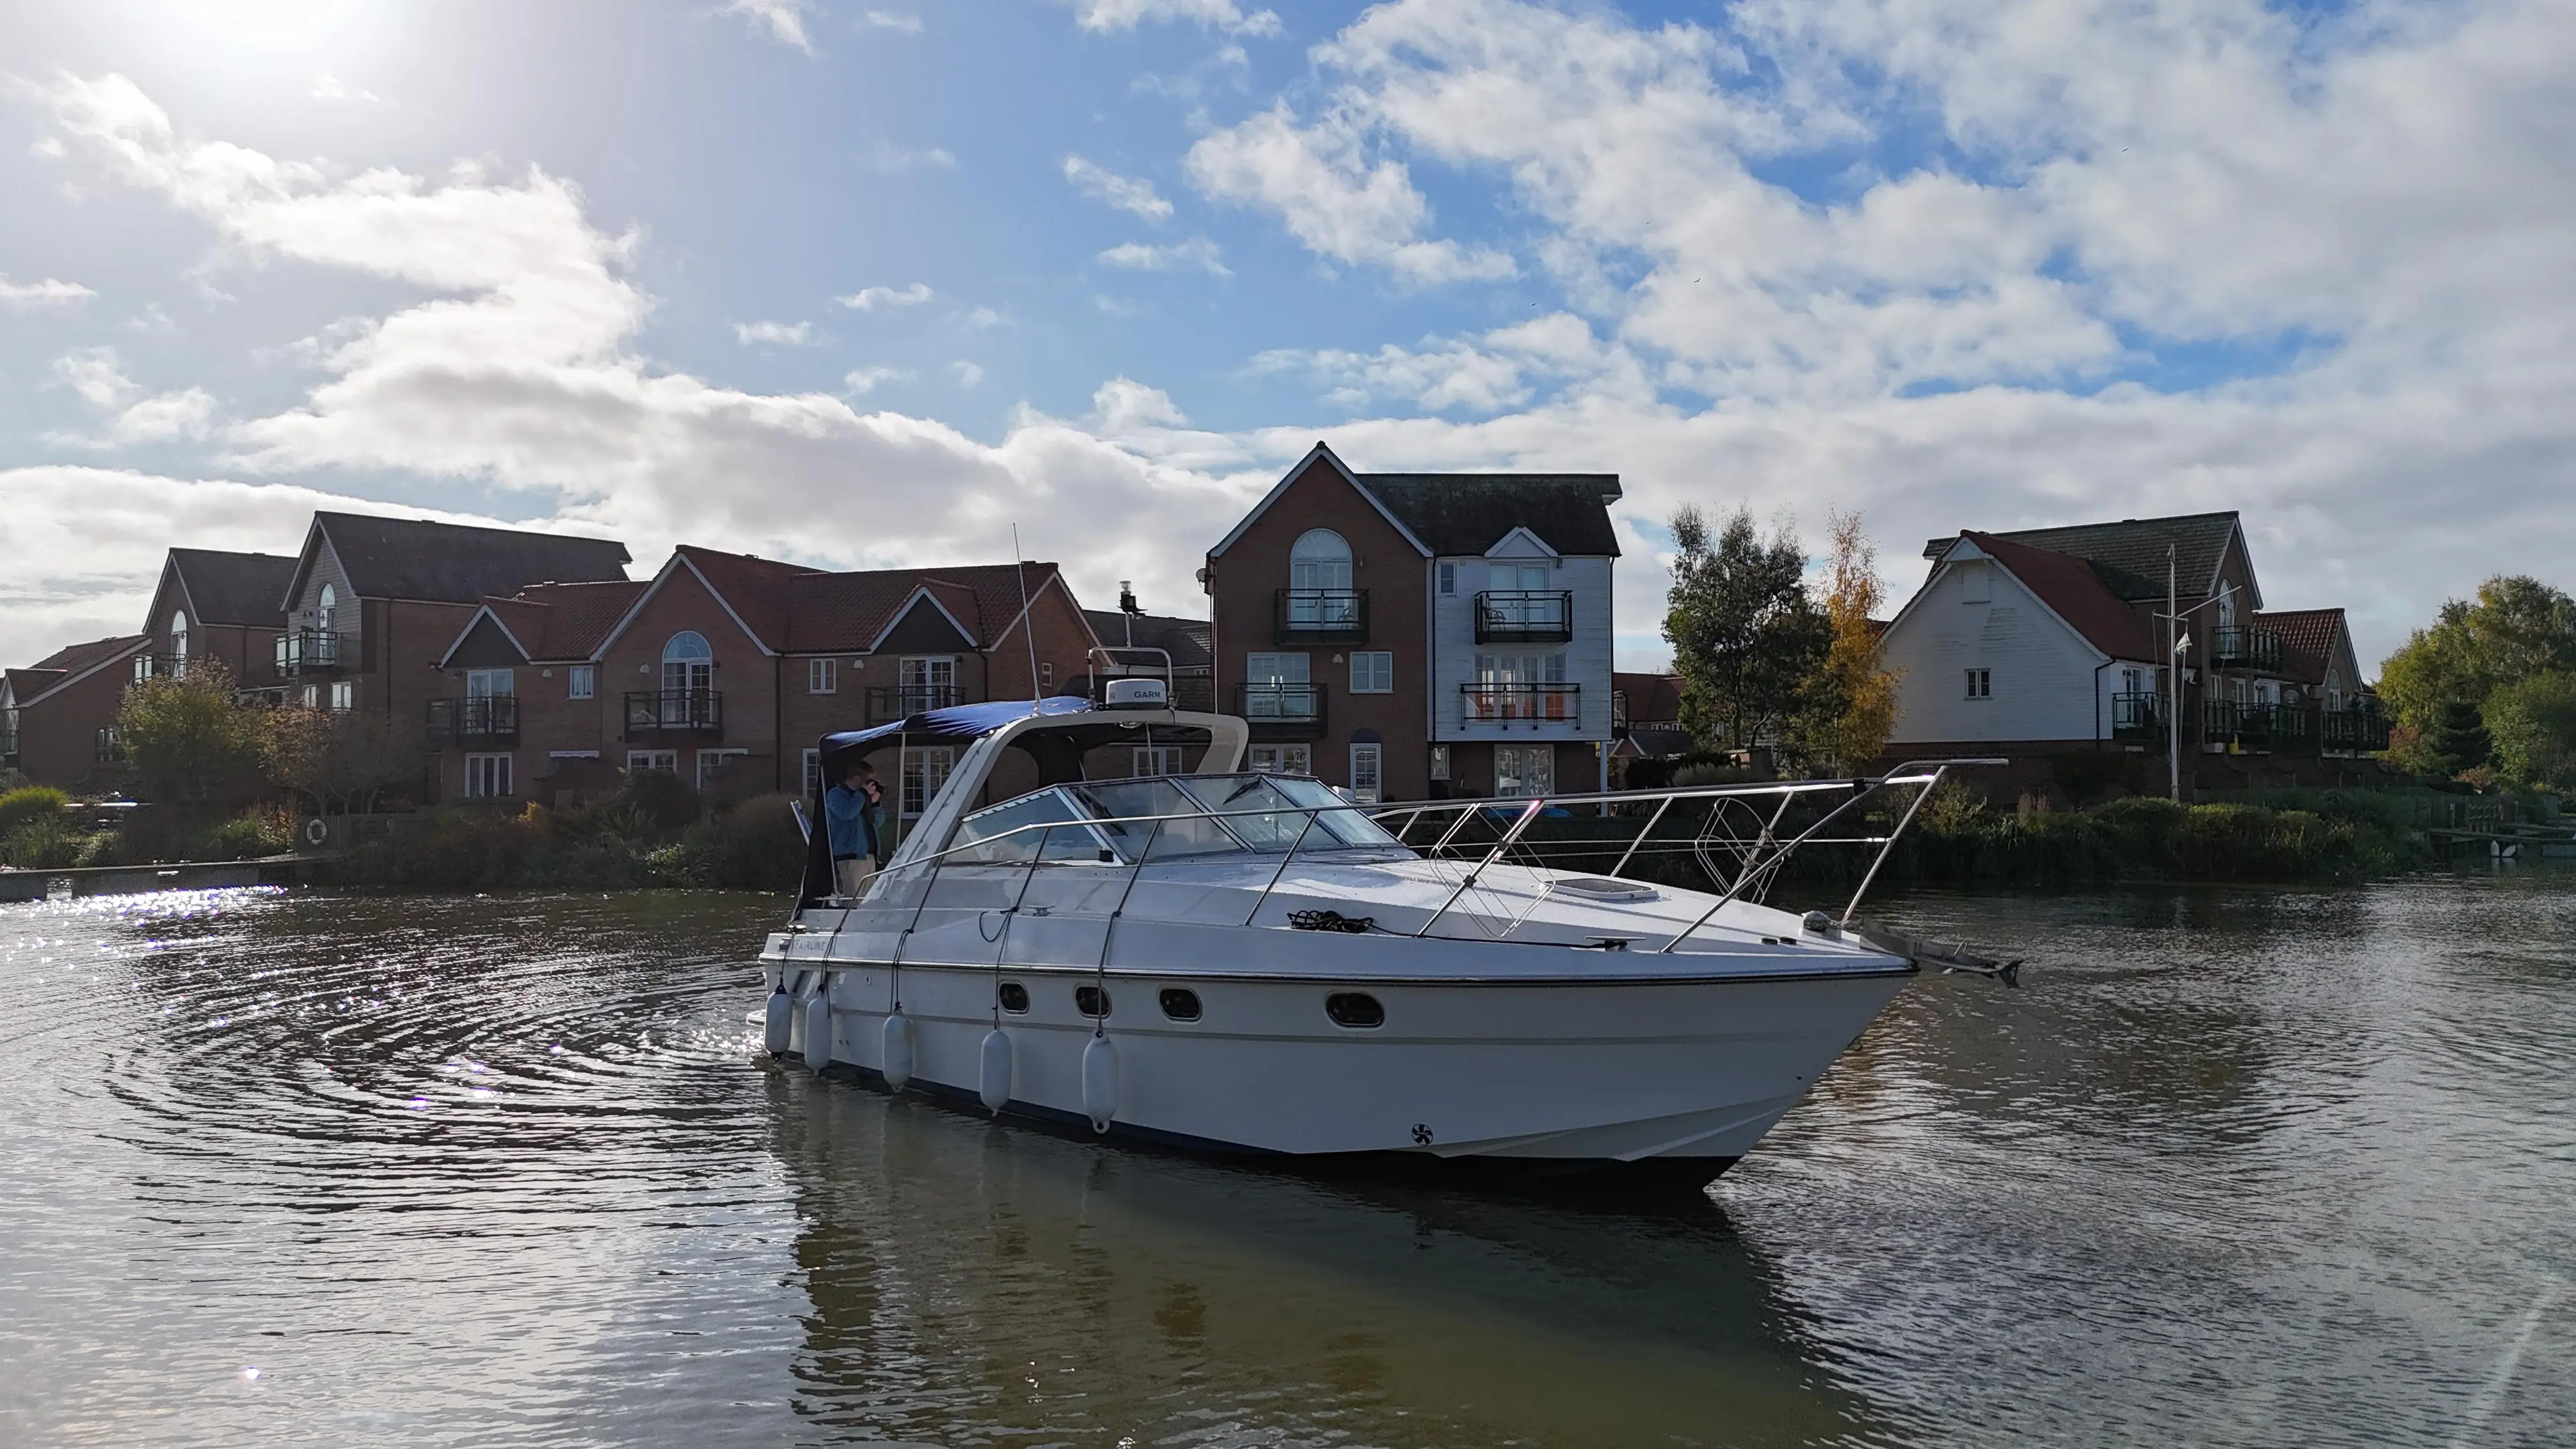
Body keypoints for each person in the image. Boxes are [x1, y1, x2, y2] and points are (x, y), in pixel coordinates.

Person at [823, 760, 887, 899]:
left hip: (869, 856)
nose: (872, 786)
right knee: (853, 901)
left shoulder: (862, 798)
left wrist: (874, 804)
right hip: (850, 857)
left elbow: (877, 822)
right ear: (858, 779)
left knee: (869, 901)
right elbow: (847, 814)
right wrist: (863, 794)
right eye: (869, 782)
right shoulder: (836, 795)